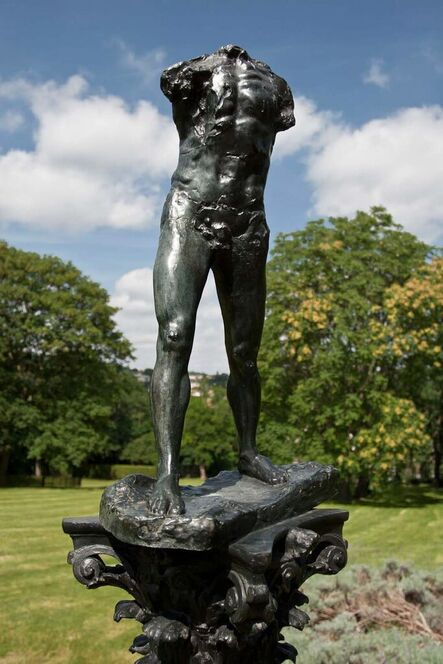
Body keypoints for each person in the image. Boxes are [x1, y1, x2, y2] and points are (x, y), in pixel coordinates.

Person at [149, 44, 295, 515]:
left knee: (245, 353)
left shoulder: (276, 88)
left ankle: (248, 451)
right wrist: (216, 59)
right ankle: (168, 473)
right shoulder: (192, 77)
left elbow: (281, 124)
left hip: (248, 221)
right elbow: (170, 80)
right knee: (174, 335)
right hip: (190, 209)